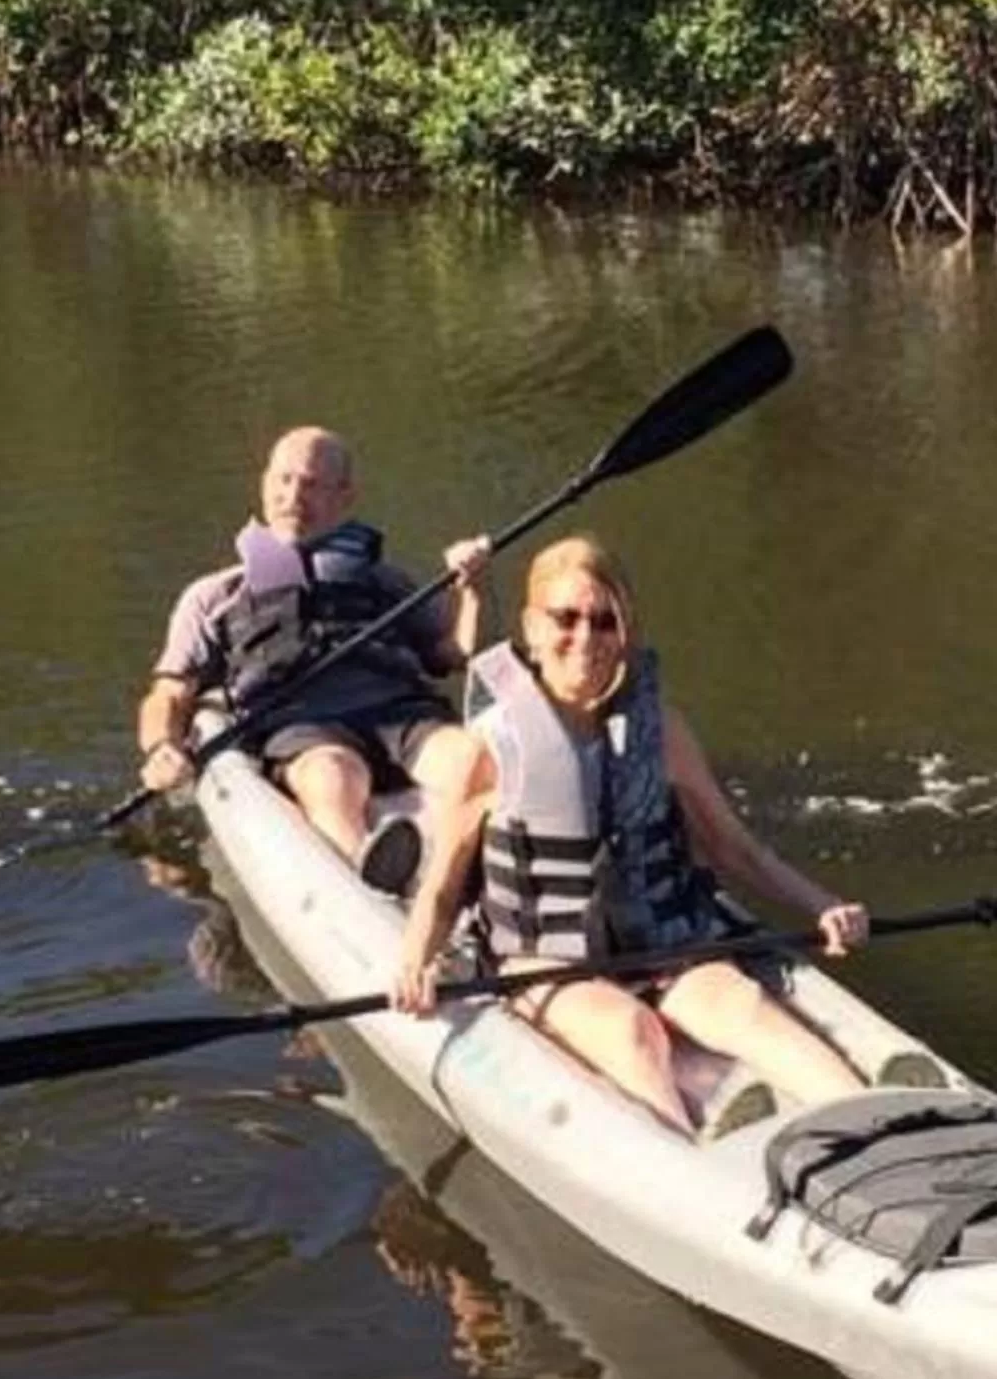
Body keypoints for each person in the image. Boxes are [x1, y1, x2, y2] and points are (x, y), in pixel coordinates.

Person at [394, 534, 869, 1133]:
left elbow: (734, 848)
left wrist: (821, 905)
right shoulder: (490, 747)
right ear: (531, 627)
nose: (585, 639)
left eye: (604, 621)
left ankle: (882, 1128)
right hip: (545, 959)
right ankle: (694, 1183)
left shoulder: (659, 731)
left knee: (744, 1006)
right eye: (565, 618)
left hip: (661, 940)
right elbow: (441, 886)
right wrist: (416, 962)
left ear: (625, 633)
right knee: (631, 1031)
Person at [136, 425, 495, 888]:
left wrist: (474, 588)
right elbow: (169, 691)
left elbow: (456, 655)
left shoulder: (383, 581)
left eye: (310, 484)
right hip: (303, 728)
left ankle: (494, 874)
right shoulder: (215, 595)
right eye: (282, 480)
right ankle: (372, 877)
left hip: (400, 716)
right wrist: (161, 746)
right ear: (264, 485)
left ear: (345, 496)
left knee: (473, 758)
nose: (292, 496)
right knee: (333, 777)